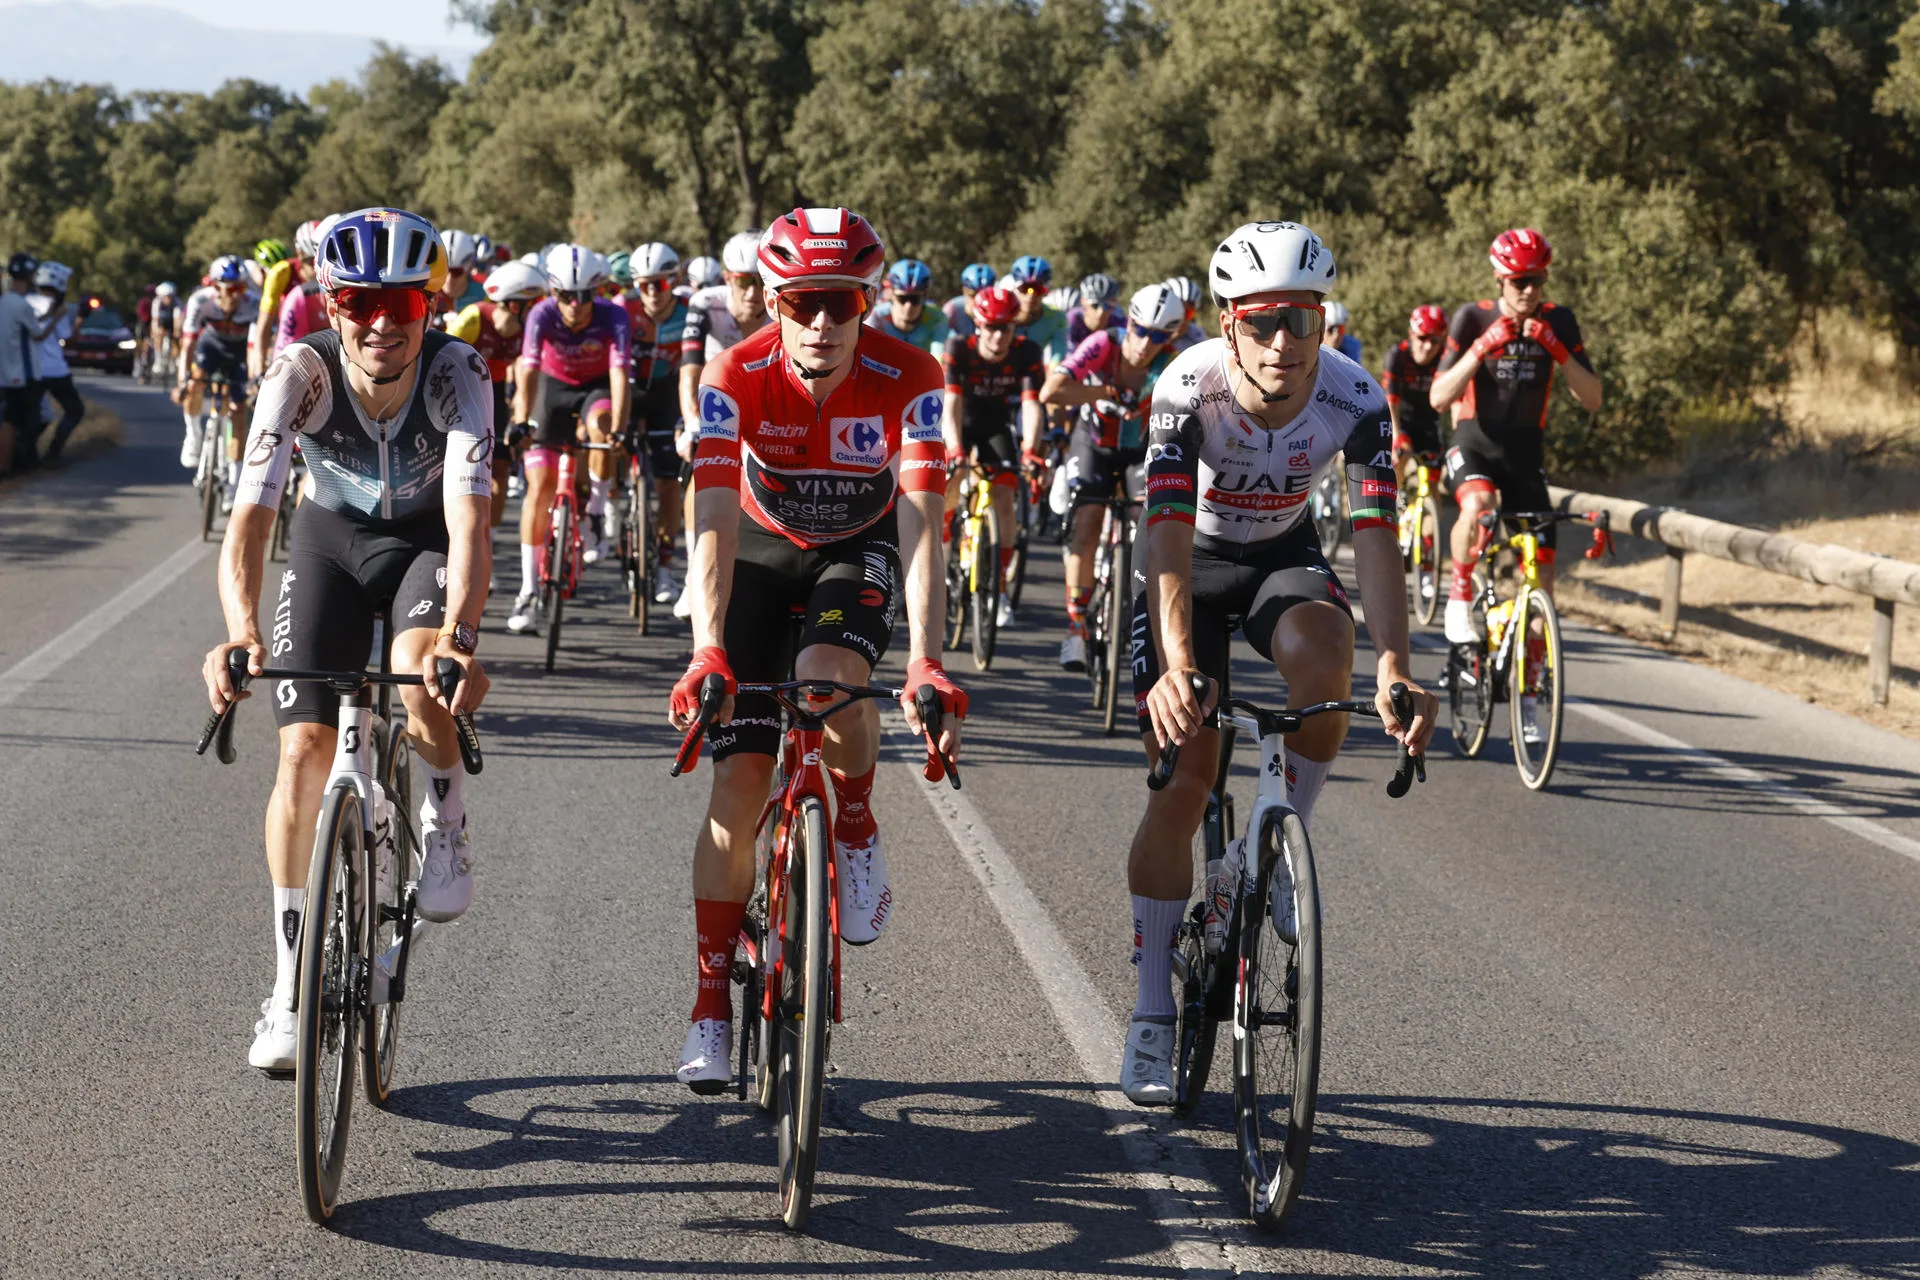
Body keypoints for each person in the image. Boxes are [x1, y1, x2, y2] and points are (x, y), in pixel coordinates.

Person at [1122, 221, 1438, 1104]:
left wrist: (1396, 666)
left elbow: (1376, 537)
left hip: (1278, 556)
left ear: (1324, 319)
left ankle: (1271, 853)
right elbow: (1168, 541)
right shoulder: (1187, 389)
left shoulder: (1356, 396)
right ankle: (1151, 1013)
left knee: (1329, 653)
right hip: (1191, 565)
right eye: (1263, 322)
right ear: (1227, 322)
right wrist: (1180, 664)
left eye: (1303, 320)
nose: (1284, 344)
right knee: (1188, 777)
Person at [667, 207, 966, 1092]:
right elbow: (712, 522)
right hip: (758, 547)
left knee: (830, 678)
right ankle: (710, 1004)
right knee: (739, 782)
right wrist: (707, 648)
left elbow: (921, 527)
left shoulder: (912, 374)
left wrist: (926, 659)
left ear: (869, 299)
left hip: (858, 546)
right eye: (803, 303)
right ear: (772, 299)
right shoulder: (734, 372)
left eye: (842, 302)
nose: (823, 323)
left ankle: (859, 817)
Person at [200, 206, 493, 1072]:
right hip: (329, 539)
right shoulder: (298, 373)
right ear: (329, 304)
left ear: (428, 306)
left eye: (401, 304)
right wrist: (240, 633)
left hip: (426, 542)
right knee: (300, 751)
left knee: (415, 665)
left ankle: (443, 815)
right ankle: (290, 988)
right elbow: (249, 523)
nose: (380, 323)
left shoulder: (459, 370)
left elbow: (473, 524)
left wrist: (461, 638)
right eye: (360, 302)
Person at [1429, 227, 1602, 741]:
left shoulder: (1559, 320)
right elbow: (1439, 396)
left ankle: (1527, 699)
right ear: (1501, 278)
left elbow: (1592, 398)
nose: (1529, 290)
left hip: (1526, 458)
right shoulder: (1472, 317)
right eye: (1520, 280)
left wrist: (1558, 349)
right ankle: (1460, 598)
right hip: (1472, 444)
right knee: (1478, 504)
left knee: (1540, 587)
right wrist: (1483, 347)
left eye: (1538, 279)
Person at [1039, 282, 1182, 670]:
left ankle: (1143, 612)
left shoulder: (1173, 361)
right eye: (1140, 330)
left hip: (1139, 450)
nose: (1145, 342)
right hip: (1095, 444)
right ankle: (1075, 629)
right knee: (1086, 525)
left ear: (1170, 336)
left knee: (1151, 529)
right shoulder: (1103, 343)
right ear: (1129, 322)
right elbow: (1050, 392)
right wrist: (1105, 390)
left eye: (1159, 336)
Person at [505, 245, 631, 634]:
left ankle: (593, 511)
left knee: (603, 423)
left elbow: (620, 375)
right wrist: (522, 420)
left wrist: (619, 429)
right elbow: (527, 372)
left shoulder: (615, 315)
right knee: (539, 488)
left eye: (584, 296)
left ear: (598, 292)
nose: (574, 305)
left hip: (596, 389)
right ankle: (527, 591)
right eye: (565, 296)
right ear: (552, 293)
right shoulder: (541, 314)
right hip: (552, 389)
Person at [942, 284, 1045, 628]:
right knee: (951, 481)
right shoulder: (959, 348)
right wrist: (955, 450)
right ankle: (943, 557)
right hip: (959, 422)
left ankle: (998, 587)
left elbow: (1032, 406)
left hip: (996, 426)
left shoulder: (1027, 351)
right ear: (978, 325)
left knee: (1004, 494)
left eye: (1006, 327)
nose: (999, 336)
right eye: (991, 327)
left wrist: (1031, 451)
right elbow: (951, 405)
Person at [448, 258, 545, 532]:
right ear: (515, 306)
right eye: (535, 303)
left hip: (495, 391)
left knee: (500, 469)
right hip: (457, 392)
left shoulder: (529, 329)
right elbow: (439, 360)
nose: (541, 310)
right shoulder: (473, 319)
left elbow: (527, 375)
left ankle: (486, 539)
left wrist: (521, 417)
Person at [620, 241, 690, 602]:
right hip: (631, 392)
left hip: (668, 395)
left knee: (668, 486)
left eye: (658, 284)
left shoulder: (689, 312)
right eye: (643, 285)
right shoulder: (623, 309)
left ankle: (664, 568)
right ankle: (614, 505)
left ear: (673, 281)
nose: (650, 293)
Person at [175, 255, 260, 490]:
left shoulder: (253, 302)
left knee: (239, 410)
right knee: (194, 385)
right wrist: (183, 379)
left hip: (241, 352)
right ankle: (193, 435)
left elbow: (256, 347)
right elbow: (188, 344)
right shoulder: (200, 300)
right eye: (231, 288)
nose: (237, 295)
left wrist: (254, 379)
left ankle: (234, 481)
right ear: (214, 287)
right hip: (210, 346)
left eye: (241, 288)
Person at [28, 262, 84, 465]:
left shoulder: (25, 302)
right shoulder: (58, 308)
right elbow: (67, 341)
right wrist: (80, 320)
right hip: (55, 370)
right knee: (75, 410)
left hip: (30, 370)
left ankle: (27, 453)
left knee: (34, 414)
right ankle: (53, 453)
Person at [1, 253, 43, 475]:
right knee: (14, 421)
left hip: (4, 370)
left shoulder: (4, 302)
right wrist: (56, 318)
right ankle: (7, 466)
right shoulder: (22, 306)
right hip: (18, 375)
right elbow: (38, 335)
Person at [868, 259, 950, 356]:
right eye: (902, 299)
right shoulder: (876, 316)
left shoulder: (937, 318)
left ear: (925, 297)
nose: (908, 306)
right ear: (890, 294)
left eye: (915, 299)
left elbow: (939, 357)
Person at [1068, 272, 1121, 351]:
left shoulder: (1118, 323)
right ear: (1083, 302)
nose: (1101, 312)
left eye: (1107, 306)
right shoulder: (1071, 320)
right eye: (1095, 305)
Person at [945, 262, 996, 339]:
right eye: (973, 295)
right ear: (964, 290)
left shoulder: (997, 309)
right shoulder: (953, 308)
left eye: (985, 295)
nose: (978, 300)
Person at [1164, 276, 1208, 352]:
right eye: (1177, 311)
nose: (1183, 319)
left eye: (1188, 313)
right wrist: (1172, 338)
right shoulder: (1144, 328)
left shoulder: (1195, 336)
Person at [1321, 299, 1362, 364]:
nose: (1336, 335)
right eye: (1330, 329)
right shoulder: (1308, 347)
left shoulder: (1352, 345)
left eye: (1340, 328)